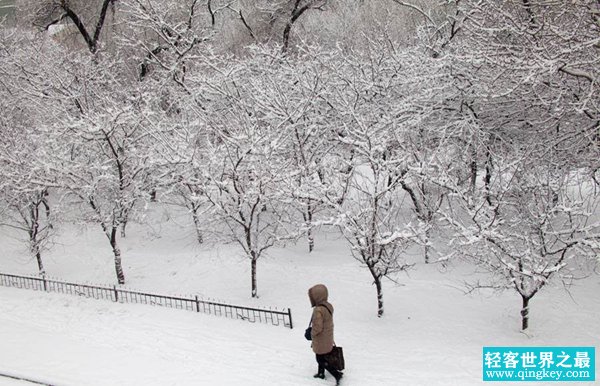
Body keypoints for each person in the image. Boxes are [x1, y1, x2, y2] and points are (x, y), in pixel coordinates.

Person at [308, 284, 343, 385]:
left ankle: (336, 374)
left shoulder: (318, 310)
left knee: (320, 359)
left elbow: (317, 327)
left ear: (317, 296)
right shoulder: (328, 306)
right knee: (322, 356)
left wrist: (312, 333)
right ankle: (321, 373)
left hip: (320, 339)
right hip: (327, 337)